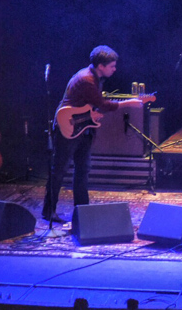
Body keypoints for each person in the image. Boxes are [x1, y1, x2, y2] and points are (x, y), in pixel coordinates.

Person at [41, 46, 144, 223]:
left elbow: (90, 104)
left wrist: (92, 114)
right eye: (112, 66)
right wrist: (129, 103)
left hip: (83, 126)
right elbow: (102, 104)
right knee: (58, 170)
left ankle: (82, 211)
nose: (114, 69)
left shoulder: (94, 77)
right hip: (69, 125)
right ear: (101, 66)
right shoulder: (87, 79)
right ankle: (48, 211)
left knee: (83, 169)